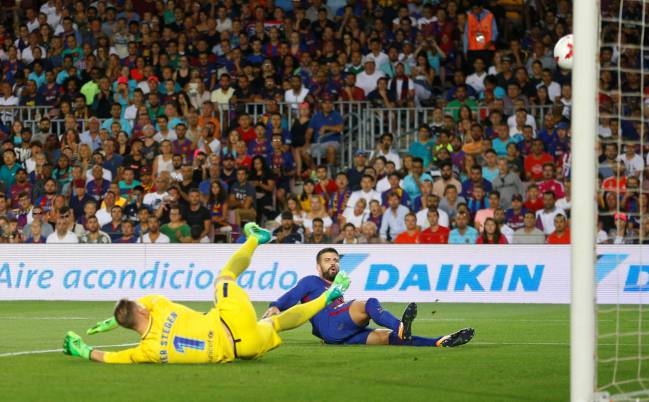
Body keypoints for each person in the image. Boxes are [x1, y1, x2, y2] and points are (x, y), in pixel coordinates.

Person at [62, 224, 351, 363]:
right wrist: (112, 320)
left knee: (276, 323)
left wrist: (83, 349)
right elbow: (144, 301)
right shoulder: (159, 306)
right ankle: (255, 239)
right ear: (140, 311)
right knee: (224, 277)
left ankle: (327, 296)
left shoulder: (146, 351)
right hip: (231, 317)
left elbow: (111, 358)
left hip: (241, 349)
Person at [264, 247, 474, 347]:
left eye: (336, 260)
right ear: (319, 266)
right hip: (332, 325)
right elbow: (292, 296)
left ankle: (438, 342)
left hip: (340, 335)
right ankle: (401, 327)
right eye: (328, 260)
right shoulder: (311, 281)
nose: (333, 263)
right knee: (369, 304)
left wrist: (321, 336)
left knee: (387, 338)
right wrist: (276, 306)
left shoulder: (337, 290)